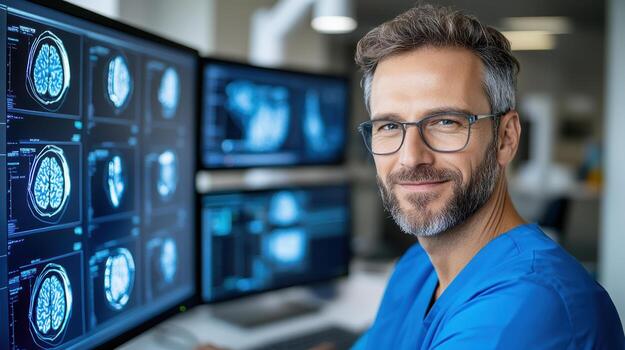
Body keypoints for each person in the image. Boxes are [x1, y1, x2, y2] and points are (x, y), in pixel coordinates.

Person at [351, 4, 624, 349]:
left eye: (445, 122)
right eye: (389, 126)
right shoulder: (417, 267)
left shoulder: (530, 307)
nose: (410, 157)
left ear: (506, 138)